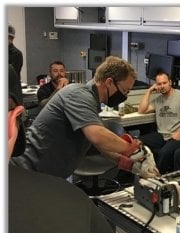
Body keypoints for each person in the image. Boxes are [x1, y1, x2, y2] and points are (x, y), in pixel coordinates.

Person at [8, 64, 117, 233]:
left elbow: (97, 143)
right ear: (13, 122)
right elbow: (97, 136)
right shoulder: (75, 209)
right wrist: (132, 149)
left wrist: (123, 159)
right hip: (35, 171)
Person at [11, 56, 159, 180]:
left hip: (47, 174)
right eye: (124, 90)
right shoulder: (78, 94)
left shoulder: (91, 101)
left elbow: (100, 146)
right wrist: (133, 149)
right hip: (28, 170)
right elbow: (97, 136)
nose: (125, 96)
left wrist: (130, 164)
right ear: (109, 82)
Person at [138, 71, 180, 174]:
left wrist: (179, 133)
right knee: (138, 143)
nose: (162, 86)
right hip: (162, 135)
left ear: (170, 82)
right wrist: (149, 91)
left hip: (178, 136)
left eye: (164, 83)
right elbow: (142, 110)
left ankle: (157, 179)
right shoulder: (158, 100)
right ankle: (136, 174)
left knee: (164, 153)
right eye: (159, 84)